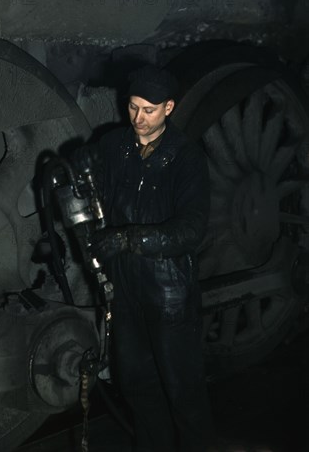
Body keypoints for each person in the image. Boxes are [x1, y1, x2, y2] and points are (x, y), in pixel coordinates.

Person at [87, 65, 213, 452]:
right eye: (132, 108)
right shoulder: (115, 146)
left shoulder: (186, 159)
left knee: (183, 393)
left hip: (169, 294)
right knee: (139, 387)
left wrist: (126, 239)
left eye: (149, 110)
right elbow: (80, 171)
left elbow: (191, 230)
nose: (138, 119)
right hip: (126, 293)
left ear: (169, 108)